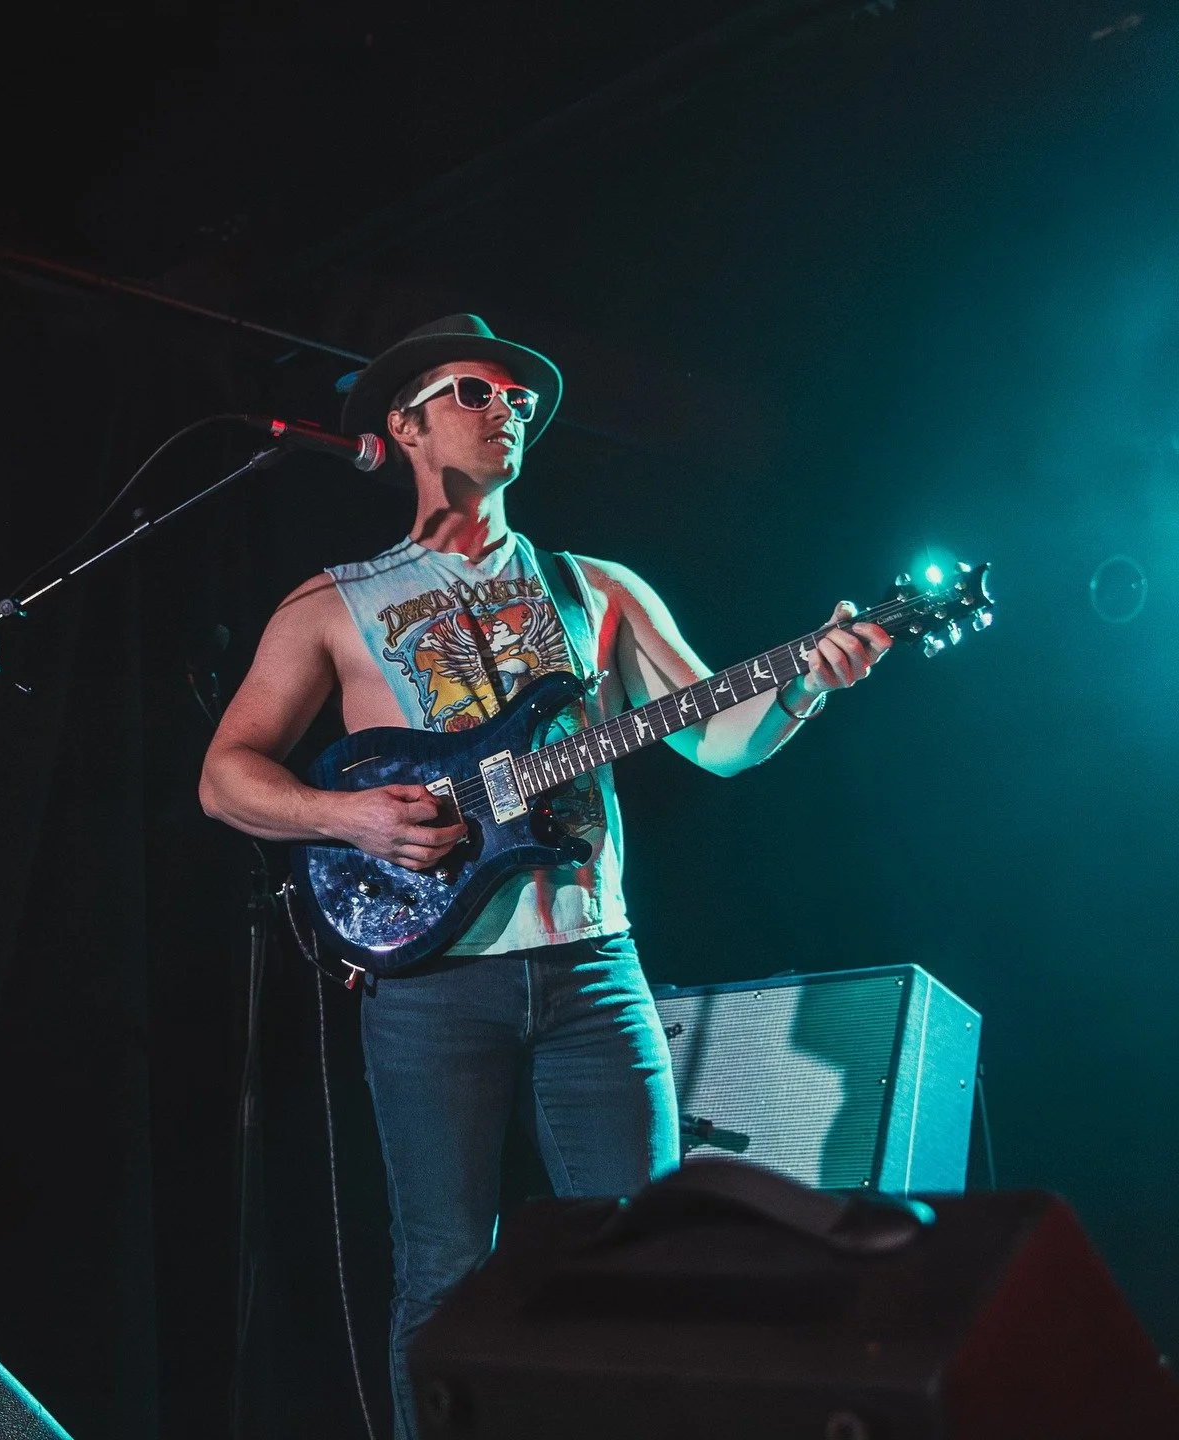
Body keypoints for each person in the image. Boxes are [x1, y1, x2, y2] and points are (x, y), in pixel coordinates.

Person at [198, 314, 890, 1438]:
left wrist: (809, 681)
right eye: (479, 390)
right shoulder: (331, 604)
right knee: (443, 1267)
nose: (509, 407)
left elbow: (716, 738)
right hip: (430, 983)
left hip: (594, 972)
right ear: (406, 424)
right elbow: (225, 779)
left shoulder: (595, 585)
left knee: (649, 1257)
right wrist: (348, 814)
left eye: (521, 398)